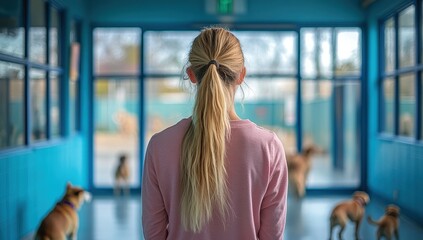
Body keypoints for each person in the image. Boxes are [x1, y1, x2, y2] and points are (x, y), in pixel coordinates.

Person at [142, 27, 288, 240]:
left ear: (191, 74)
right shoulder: (269, 148)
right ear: (241, 75)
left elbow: (153, 234)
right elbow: (272, 236)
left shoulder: (159, 146)